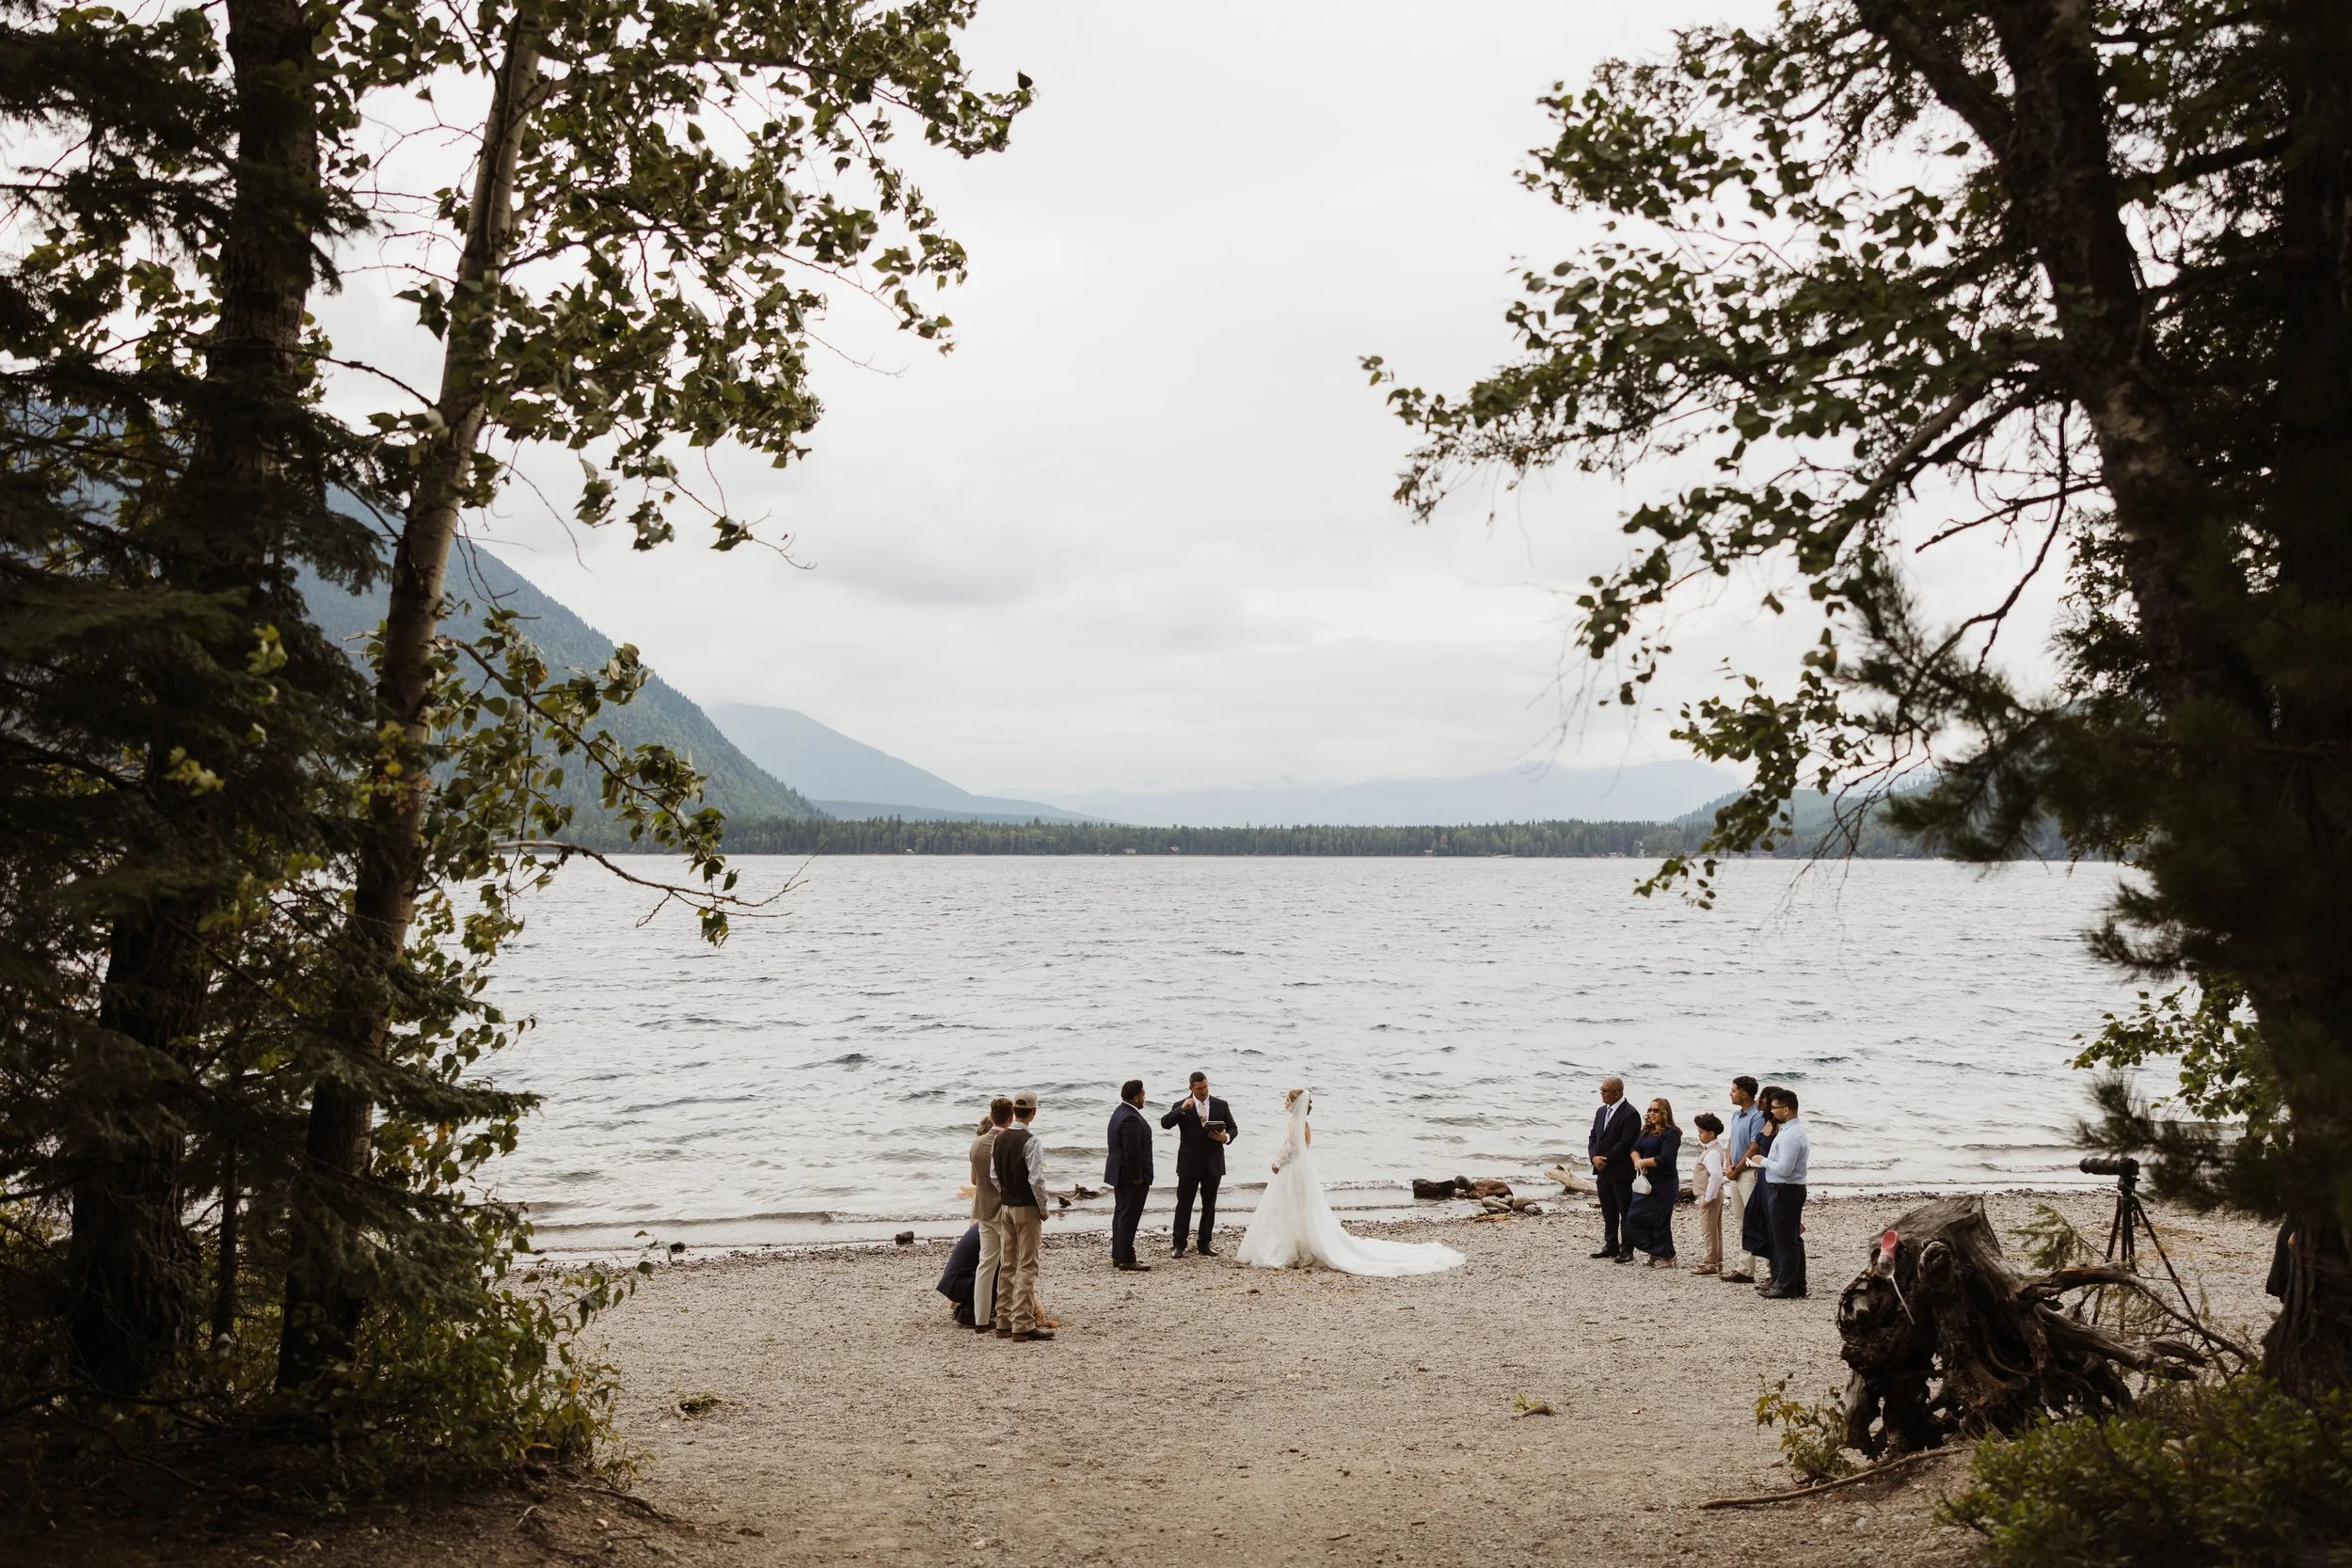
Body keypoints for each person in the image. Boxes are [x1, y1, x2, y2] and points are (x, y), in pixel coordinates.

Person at [1238, 1089, 1464, 1275]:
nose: (1284, 1103)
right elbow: (1296, 1148)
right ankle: (1297, 1245)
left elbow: (1292, 1150)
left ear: (1295, 1104)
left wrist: (1277, 1163)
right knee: (1296, 1207)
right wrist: (1279, 1159)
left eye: (1287, 1100)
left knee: (1291, 1206)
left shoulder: (1297, 1125)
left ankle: (1293, 1247)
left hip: (1292, 1170)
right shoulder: (1301, 1124)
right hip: (1298, 1170)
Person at [992, 1090, 1053, 1341]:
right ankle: (1023, 1322)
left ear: (1014, 1111)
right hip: (1026, 1207)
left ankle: (1003, 1320)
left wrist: (1006, 1194)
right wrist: (1043, 1208)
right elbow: (1036, 1179)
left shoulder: (999, 1138)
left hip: (1007, 1206)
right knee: (1027, 1265)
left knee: (1007, 1264)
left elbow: (994, 1176)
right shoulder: (1032, 1141)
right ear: (1034, 1112)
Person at [1162, 1070, 1237, 1258]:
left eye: (1206, 1087)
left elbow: (1233, 1128)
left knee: (1209, 1205)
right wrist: (1182, 1110)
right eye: (1199, 1089)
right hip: (1189, 1163)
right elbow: (1165, 1123)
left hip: (1213, 1163)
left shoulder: (1221, 1104)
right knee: (1184, 1205)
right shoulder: (1181, 1105)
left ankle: (1205, 1243)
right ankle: (1179, 1244)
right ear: (1191, 1088)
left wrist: (1225, 1137)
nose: (1204, 1091)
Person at [1758, 1088, 1811, 1299]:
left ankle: (1788, 1285)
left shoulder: (1791, 1136)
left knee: (1785, 1240)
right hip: (1787, 1189)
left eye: (1775, 1108)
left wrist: (1763, 1162)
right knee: (1790, 1238)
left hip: (1786, 1190)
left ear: (1786, 1110)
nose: (1772, 1111)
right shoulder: (1790, 1131)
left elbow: (1784, 1169)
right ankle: (1795, 1283)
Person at [967, 1100, 1010, 1336]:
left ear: (991, 1116)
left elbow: (974, 1180)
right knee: (1009, 1264)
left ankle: (981, 1319)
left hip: (983, 1209)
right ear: (1010, 1117)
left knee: (985, 1265)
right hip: (1004, 1210)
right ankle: (1006, 1316)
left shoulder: (976, 1143)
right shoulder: (1007, 1141)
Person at [1587, 1076, 1641, 1260]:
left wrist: (1606, 1159)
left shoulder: (1630, 1114)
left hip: (1620, 1170)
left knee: (1625, 1210)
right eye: (1601, 1090)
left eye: (1605, 1091)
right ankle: (1611, 1244)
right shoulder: (1601, 1111)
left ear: (1617, 1093)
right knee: (1608, 1209)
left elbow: (1626, 1143)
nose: (1601, 1093)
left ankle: (1627, 1249)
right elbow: (1593, 1137)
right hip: (1602, 1170)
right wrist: (1593, 1157)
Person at [1623, 1098, 1682, 1267]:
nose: (1652, 1113)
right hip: (1646, 1182)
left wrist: (1644, 1162)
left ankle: (1667, 1255)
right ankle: (1656, 1251)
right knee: (1634, 1217)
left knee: (1660, 1220)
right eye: (1650, 1110)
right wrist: (1638, 1161)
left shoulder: (1671, 1133)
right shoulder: (1646, 1130)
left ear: (1664, 1112)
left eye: (1656, 1110)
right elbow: (1634, 1148)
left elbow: (1666, 1159)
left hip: (1664, 1183)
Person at [1104, 1079, 1154, 1272]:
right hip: (1130, 1175)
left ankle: (1118, 1254)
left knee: (1121, 1213)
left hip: (1119, 1173)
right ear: (1136, 1097)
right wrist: (1137, 1177)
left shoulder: (1119, 1112)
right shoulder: (1131, 1118)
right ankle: (1126, 1258)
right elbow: (1131, 1151)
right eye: (1143, 1094)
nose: (1144, 1097)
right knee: (1129, 1215)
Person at [1738, 1083, 1785, 1289]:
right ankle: (1772, 1272)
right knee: (1758, 1221)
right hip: (1762, 1177)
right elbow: (1755, 1145)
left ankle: (1776, 1273)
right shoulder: (1766, 1122)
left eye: (1763, 1098)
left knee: (1772, 1225)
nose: (1759, 1100)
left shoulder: (1780, 1127)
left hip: (1771, 1177)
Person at [1722, 1077, 1765, 1284]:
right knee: (1741, 1221)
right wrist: (1728, 1165)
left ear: (1744, 1093)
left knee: (1755, 1220)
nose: (1731, 1094)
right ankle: (1745, 1269)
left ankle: (1770, 1269)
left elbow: (1754, 1146)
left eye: (1733, 1090)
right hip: (1735, 1171)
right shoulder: (1736, 1115)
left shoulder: (1757, 1115)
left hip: (1748, 1172)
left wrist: (1738, 1168)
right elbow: (1731, 1141)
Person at [1689, 1112, 1727, 1275]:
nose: (1699, 1135)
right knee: (1715, 1229)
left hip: (1709, 1194)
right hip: (1715, 1193)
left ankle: (1710, 1263)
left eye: (1701, 1132)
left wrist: (1708, 1197)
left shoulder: (1712, 1152)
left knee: (1709, 1230)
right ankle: (1716, 1260)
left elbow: (1716, 1175)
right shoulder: (1715, 1149)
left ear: (1711, 1133)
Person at [937, 1223, 982, 1325]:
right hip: (961, 1284)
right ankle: (971, 1312)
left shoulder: (982, 1225)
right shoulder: (993, 1229)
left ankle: (967, 1307)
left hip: (952, 1282)